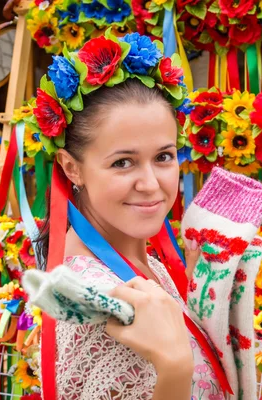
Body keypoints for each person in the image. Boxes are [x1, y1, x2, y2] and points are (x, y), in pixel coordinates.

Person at [29, 33, 224, 400]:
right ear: (72, 168)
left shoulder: (144, 263)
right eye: (123, 162)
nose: (151, 184)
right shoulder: (98, 298)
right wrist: (174, 369)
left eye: (164, 156)